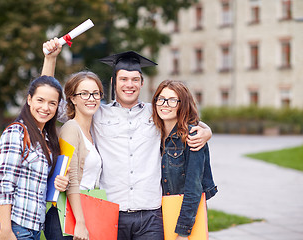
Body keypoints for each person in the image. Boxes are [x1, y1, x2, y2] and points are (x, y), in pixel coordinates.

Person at [42, 38, 212, 239]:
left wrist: (206, 130)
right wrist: (50, 59)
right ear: (114, 82)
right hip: (111, 214)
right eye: (123, 79)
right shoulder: (96, 113)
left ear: (142, 82)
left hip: (151, 216)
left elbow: (183, 118)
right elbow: (50, 105)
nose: (129, 85)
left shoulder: (156, 112)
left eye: (134, 79)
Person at [0, 75, 69, 240]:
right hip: (14, 227)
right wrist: (5, 230)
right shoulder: (16, 132)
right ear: (29, 99)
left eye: (52, 103)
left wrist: (60, 181)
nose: (45, 107)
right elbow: (5, 182)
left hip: (33, 228)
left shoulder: (46, 137)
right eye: (40, 100)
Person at [151, 80, 217, 239]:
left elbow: (194, 189)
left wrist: (183, 232)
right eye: (161, 99)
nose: (165, 104)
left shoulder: (192, 136)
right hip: (159, 215)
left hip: (183, 217)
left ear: (183, 105)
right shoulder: (154, 133)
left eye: (173, 100)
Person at [44, 71, 104, 240]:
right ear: (72, 98)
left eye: (95, 93)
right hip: (67, 217)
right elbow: (72, 179)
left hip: (86, 213)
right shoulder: (71, 128)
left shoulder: (92, 132)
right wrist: (80, 222)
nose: (91, 98)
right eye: (84, 94)